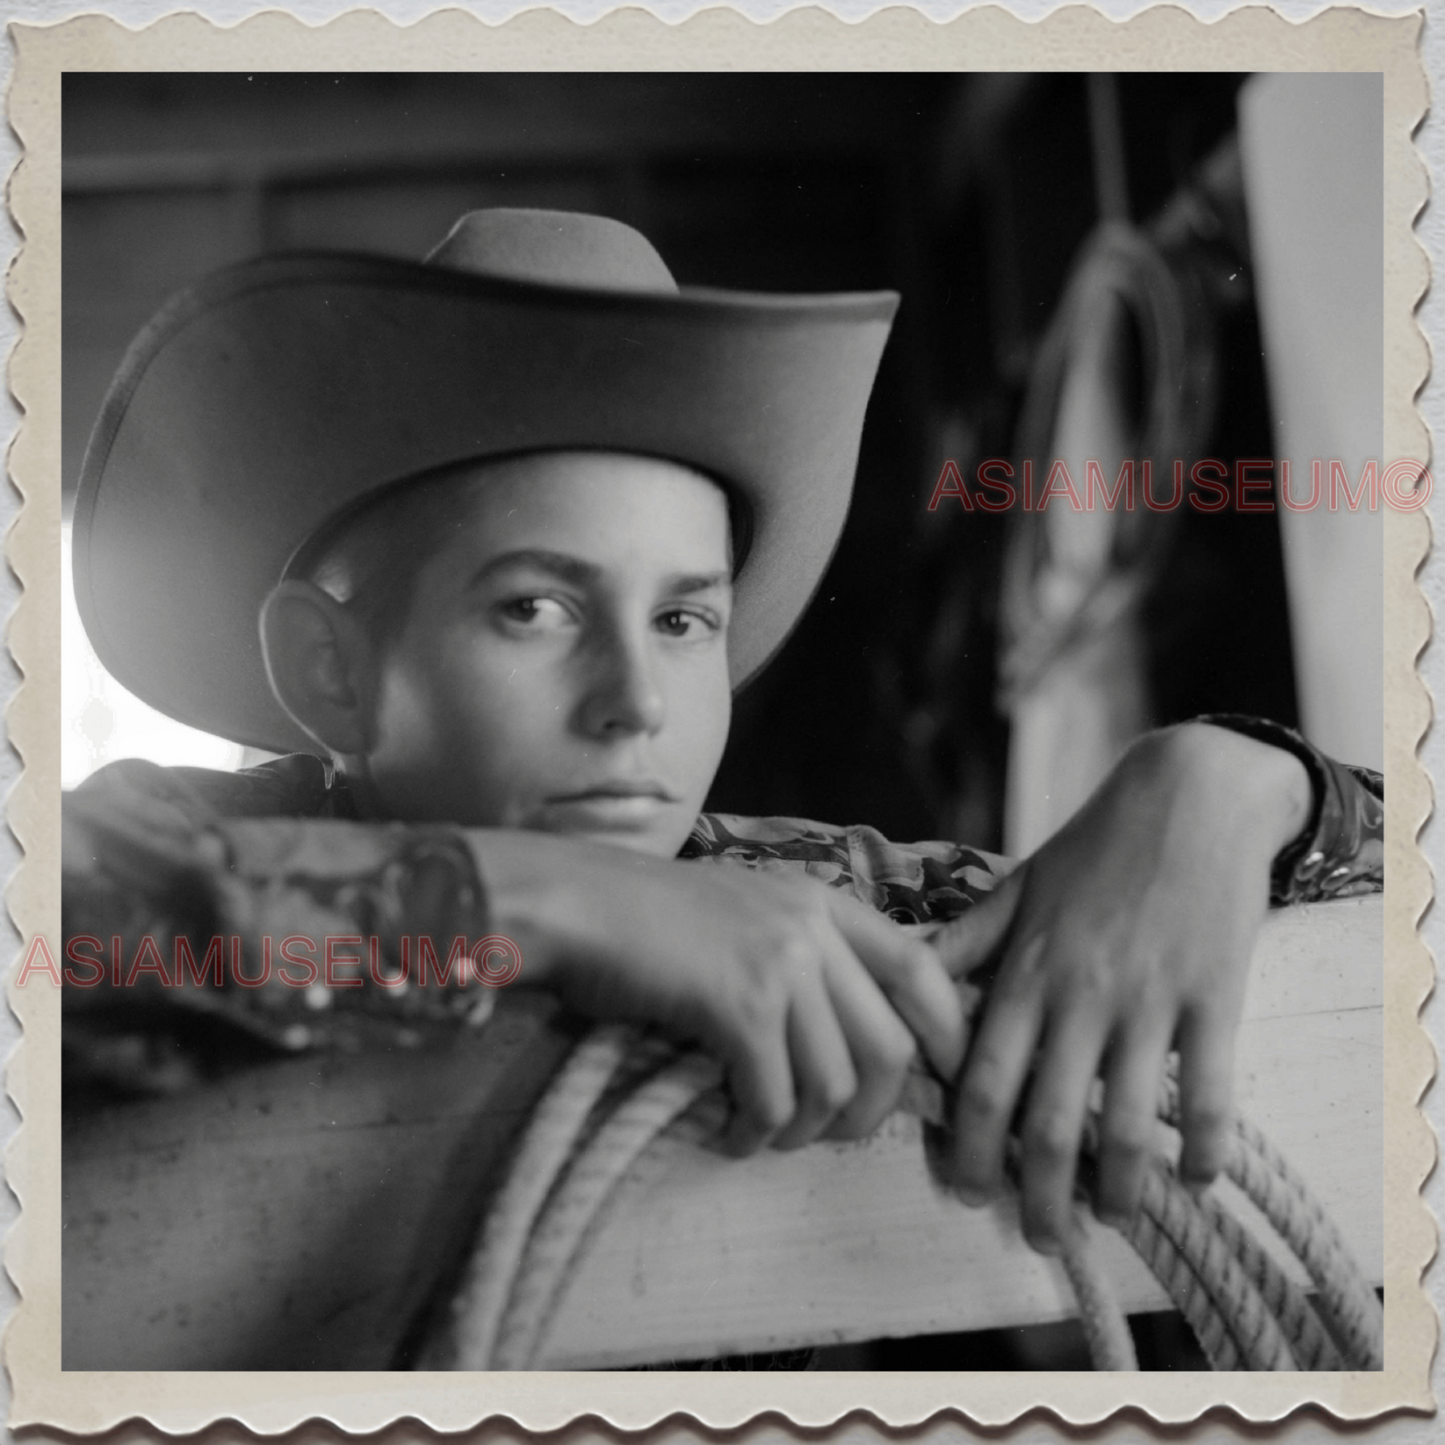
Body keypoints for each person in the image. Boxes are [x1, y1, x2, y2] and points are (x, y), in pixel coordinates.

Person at [62, 210, 1383, 1354]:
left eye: (684, 621)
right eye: (532, 608)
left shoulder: (808, 896)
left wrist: (1227, 784)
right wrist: (573, 905)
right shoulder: (191, 847)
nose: (635, 701)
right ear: (333, 673)